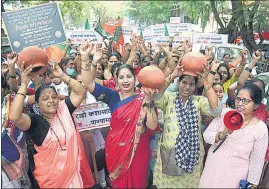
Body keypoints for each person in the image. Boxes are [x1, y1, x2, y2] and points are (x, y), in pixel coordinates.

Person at [80, 42, 159, 188]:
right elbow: (88, 82)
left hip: (139, 151)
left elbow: (152, 126)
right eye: (121, 77)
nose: (125, 80)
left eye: (129, 76)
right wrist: (87, 59)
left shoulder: (143, 98)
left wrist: (148, 100)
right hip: (116, 149)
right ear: (115, 80)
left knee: (138, 182)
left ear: (135, 79)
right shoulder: (112, 96)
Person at [9, 59, 94, 188]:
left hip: (73, 178)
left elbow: (81, 92)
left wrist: (62, 75)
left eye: (54, 97)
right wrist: (24, 83)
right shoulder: (35, 121)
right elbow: (14, 117)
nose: (51, 101)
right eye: (45, 98)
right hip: (50, 181)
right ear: (37, 104)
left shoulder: (63, 109)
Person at [153, 62, 222, 188]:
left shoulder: (198, 101)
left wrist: (206, 82)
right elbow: (156, 97)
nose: (187, 87)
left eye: (191, 84)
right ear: (178, 83)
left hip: (192, 156)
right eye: (184, 82)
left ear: (195, 86)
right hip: (169, 155)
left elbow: (216, 109)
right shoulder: (169, 98)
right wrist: (173, 75)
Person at [199, 83, 268, 188]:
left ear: (256, 105)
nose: (240, 103)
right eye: (238, 99)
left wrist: (252, 185)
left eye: (245, 101)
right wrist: (221, 134)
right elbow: (207, 136)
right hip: (212, 169)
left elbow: (257, 161)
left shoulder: (260, 129)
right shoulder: (225, 113)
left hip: (235, 177)